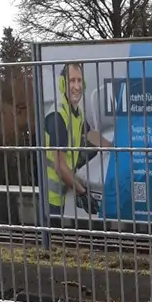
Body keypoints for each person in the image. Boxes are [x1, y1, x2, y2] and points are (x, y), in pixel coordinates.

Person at [44, 61, 112, 224]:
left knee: (57, 238)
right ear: (62, 84)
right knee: (50, 239)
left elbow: (89, 134)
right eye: (72, 81)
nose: (77, 86)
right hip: (50, 196)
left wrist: (116, 148)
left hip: (62, 190)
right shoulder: (58, 116)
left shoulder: (77, 113)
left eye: (79, 80)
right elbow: (59, 166)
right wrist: (82, 193)